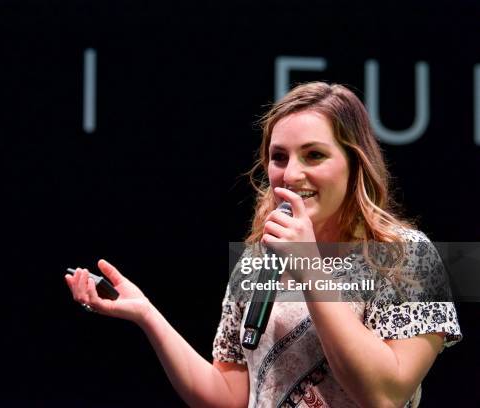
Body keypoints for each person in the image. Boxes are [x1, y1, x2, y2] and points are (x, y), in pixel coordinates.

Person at [65, 82, 461, 407]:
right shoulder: (260, 259)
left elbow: (383, 395)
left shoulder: (409, 256)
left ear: (355, 162)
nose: (291, 174)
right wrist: (147, 315)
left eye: (314, 155)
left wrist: (309, 268)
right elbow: (229, 396)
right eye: (279, 157)